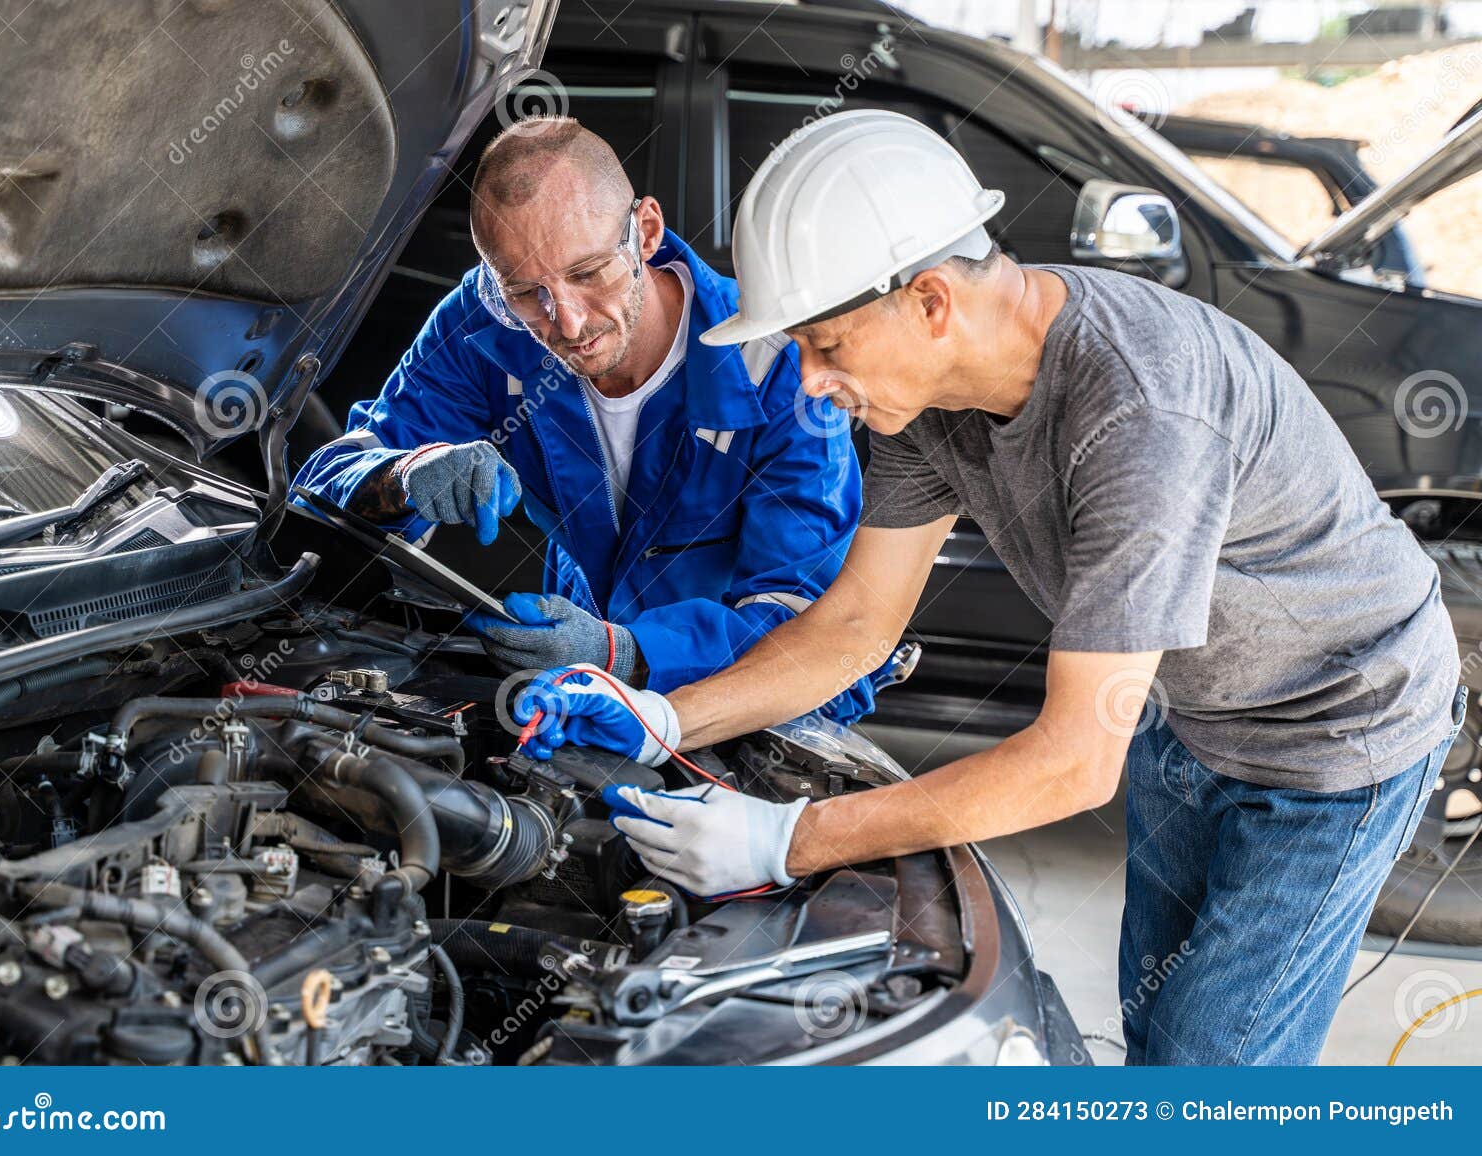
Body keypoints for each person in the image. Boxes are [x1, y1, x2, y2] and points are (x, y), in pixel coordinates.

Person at [512, 110, 1464, 1064]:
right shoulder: (932, 401)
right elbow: (854, 626)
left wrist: (790, 841)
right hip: (1194, 709)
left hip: (1339, 728)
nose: (806, 383)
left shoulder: (1139, 412)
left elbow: (1073, 762)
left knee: (1208, 1067)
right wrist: (668, 719)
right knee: (1160, 1024)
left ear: (929, 300)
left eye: (828, 346)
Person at [294, 116, 880, 720]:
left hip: (732, 714)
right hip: (571, 702)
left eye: (587, 273)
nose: (566, 323)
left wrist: (630, 653)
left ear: (645, 233)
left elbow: (818, 633)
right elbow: (328, 484)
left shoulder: (779, 368)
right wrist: (406, 474)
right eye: (525, 292)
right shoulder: (483, 322)